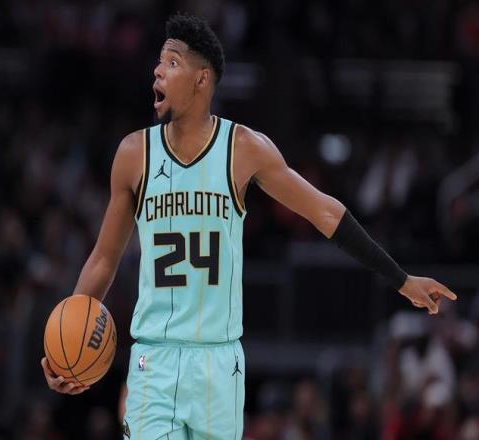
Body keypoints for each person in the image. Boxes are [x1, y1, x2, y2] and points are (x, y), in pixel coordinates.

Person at [41, 13, 457, 440]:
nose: (157, 70)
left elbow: (325, 213)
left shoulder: (243, 149)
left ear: (201, 79)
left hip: (219, 363)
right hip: (154, 358)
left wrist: (400, 278)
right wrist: (70, 336)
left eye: (172, 62)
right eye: (159, 61)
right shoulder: (134, 154)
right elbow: (104, 259)